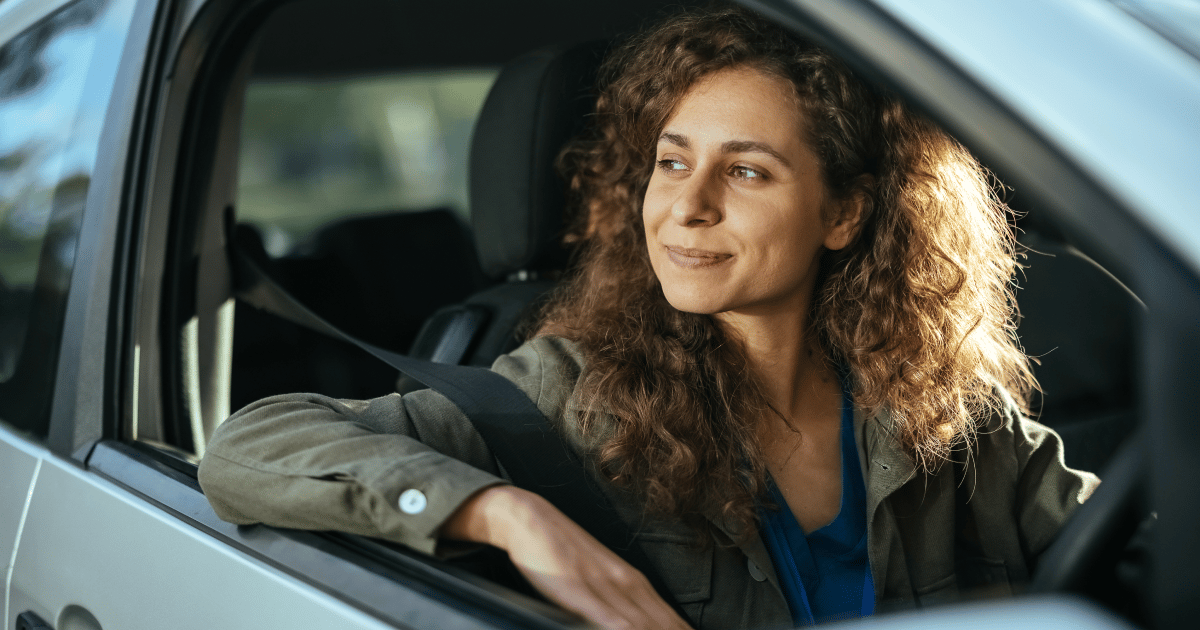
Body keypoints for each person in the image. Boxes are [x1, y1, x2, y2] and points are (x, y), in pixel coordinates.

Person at [199, 5, 1098, 629]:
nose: (686, 206)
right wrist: (504, 513)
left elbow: (1130, 545)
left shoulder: (942, 410)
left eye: (745, 171)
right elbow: (249, 448)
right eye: (672, 163)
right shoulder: (564, 393)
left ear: (844, 214)